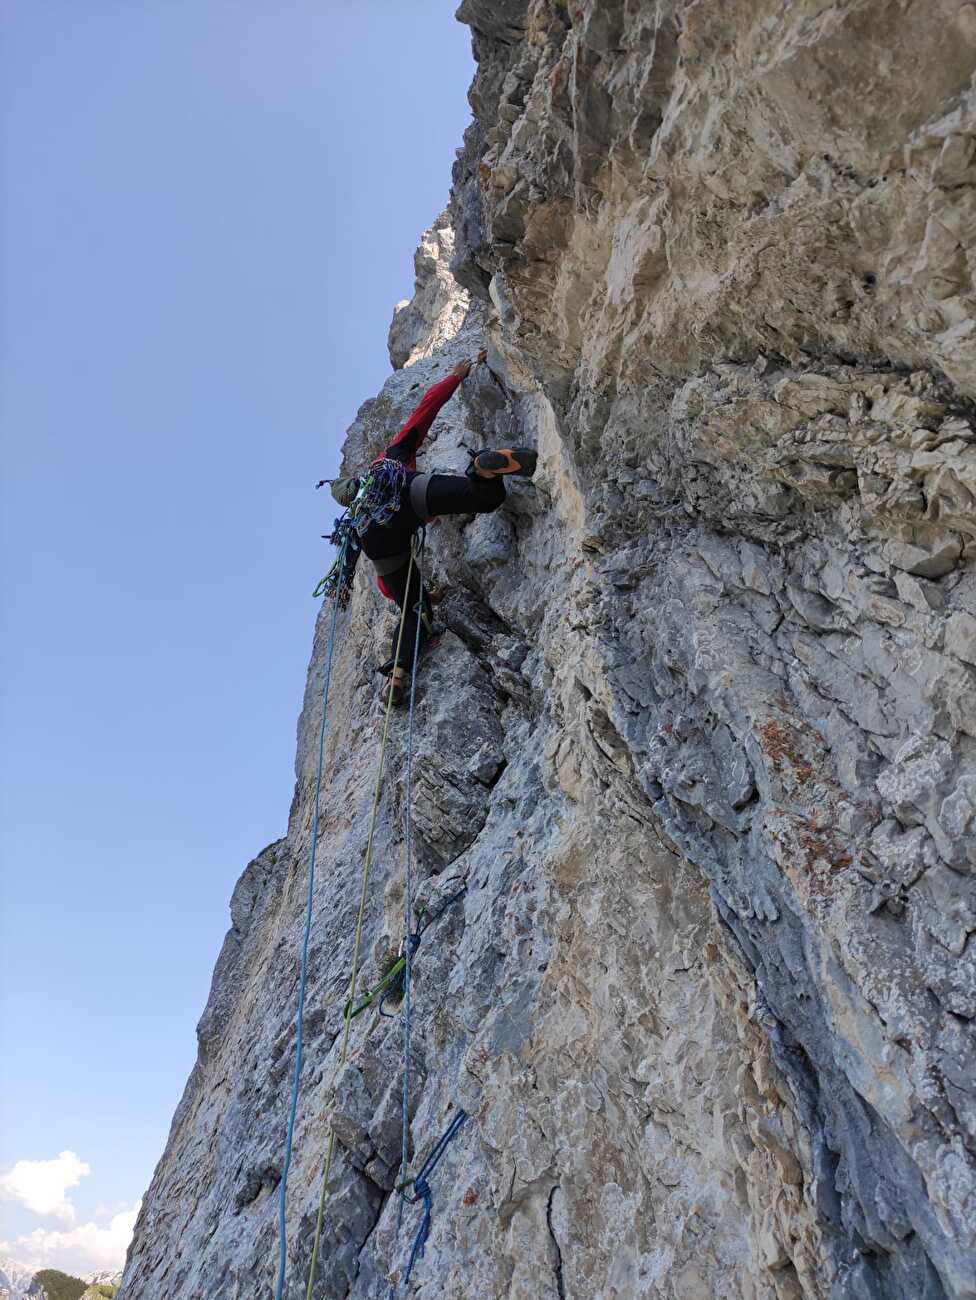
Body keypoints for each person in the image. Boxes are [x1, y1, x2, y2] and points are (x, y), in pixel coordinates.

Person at [331, 351, 536, 702]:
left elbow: (386, 586)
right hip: (415, 494)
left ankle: (396, 676)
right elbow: (425, 411)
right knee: (483, 497)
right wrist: (455, 376)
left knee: (414, 610)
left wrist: (422, 596)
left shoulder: (362, 515)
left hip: (381, 548)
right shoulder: (389, 461)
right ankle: (483, 469)